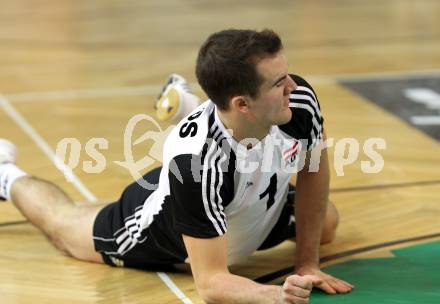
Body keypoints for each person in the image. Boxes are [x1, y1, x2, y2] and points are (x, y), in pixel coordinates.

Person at [0, 29, 353, 303]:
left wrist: (307, 263)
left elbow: (313, 170)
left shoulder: (297, 100)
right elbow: (212, 283)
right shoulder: (197, 162)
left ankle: (188, 107)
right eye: (279, 83)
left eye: (287, 75)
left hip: (251, 203)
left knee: (328, 223)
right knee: (66, 228)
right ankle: (6, 175)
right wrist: (275, 295)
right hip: (166, 230)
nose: (293, 86)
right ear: (242, 103)